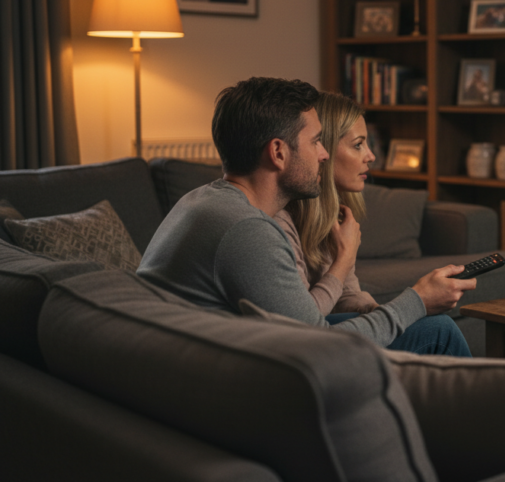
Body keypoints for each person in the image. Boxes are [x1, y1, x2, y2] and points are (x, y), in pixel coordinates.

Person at [137, 77, 474, 356]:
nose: (324, 154)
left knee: (429, 329)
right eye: (315, 141)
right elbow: (318, 345)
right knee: (437, 332)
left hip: (225, 353)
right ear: (278, 152)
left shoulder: (203, 200)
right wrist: (416, 300)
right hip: (227, 377)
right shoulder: (247, 230)